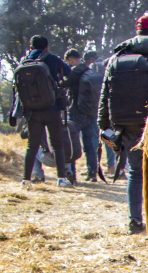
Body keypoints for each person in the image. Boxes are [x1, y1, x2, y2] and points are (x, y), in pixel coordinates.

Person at [99, 14, 148, 234]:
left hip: (127, 124)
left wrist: (104, 126)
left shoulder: (116, 58)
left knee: (135, 172)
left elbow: (105, 95)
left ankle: (135, 220)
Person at [17, 34, 74, 187]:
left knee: (32, 145)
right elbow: (68, 72)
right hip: (52, 107)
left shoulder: (24, 61)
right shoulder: (53, 58)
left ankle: (26, 180)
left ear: (30, 47)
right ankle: (61, 178)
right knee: (57, 143)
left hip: (32, 111)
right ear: (46, 47)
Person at [64, 48, 104, 181]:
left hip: (76, 112)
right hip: (91, 111)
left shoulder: (74, 71)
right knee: (89, 144)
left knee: (72, 143)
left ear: (70, 59)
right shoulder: (89, 70)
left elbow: (63, 85)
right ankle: (92, 172)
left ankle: (71, 174)